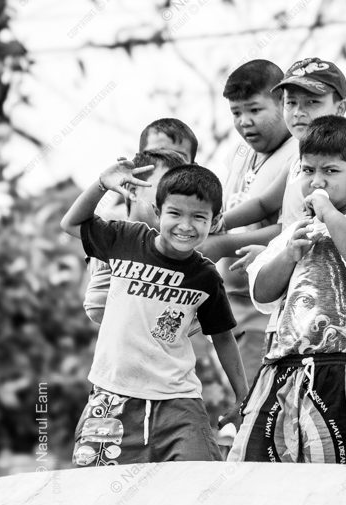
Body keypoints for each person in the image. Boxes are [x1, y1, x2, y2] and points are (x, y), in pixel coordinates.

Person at [226, 115, 346, 466]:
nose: (317, 181)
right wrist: (288, 253)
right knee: (252, 477)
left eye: (331, 172)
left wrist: (327, 211)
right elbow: (261, 292)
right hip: (281, 369)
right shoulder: (293, 232)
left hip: (344, 371)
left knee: (340, 486)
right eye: (308, 171)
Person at [60, 162, 248, 466]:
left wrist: (243, 397)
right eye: (175, 213)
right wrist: (101, 184)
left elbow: (223, 337)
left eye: (199, 217)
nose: (185, 226)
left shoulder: (206, 277)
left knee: (199, 482)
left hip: (179, 402)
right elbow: (70, 224)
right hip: (112, 396)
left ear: (214, 223)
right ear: (158, 213)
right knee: (93, 488)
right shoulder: (126, 239)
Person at [199, 59, 296, 384]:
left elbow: (291, 230)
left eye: (254, 110)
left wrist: (223, 243)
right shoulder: (240, 153)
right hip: (229, 308)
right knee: (236, 414)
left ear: (283, 102)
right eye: (237, 113)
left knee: (254, 414)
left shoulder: (299, 154)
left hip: (264, 313)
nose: (245, 122)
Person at [218, 57, 346, 235]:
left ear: (340, 109)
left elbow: (321, 233)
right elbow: (262, 204)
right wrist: (219, 222)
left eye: (312, 102)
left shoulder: (341, 163)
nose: (298, 113)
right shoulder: (296, 160)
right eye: (291, 103)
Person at [83, 149, 188, 324]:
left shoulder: (182, 242)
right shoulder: (113, 231)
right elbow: (98, 307)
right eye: (164, 188)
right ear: (132, 188)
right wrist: (101, 184)